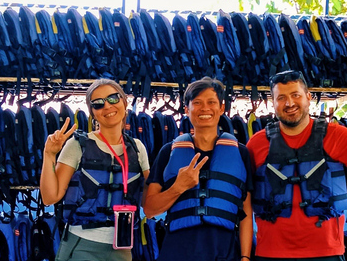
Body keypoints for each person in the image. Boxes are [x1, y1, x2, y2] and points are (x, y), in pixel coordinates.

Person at [246, 70, 347, 261]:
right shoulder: (256, 143)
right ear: (273, 103)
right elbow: (243, 201)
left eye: (296, 95)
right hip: (270, 254)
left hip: (326, 254)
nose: (289, 103)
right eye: (281, 98)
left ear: (309, 97)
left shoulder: (336, 136)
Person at [144, 76, 254, 261]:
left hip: (224, 251)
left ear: (221, 108)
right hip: (177, 252)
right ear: (187, 109)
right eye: (197, 103)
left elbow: (246, 212)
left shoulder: (240, 153)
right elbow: (149, 209)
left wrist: (245, 257)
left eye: (211, 102)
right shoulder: (168, 152)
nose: (205, 108)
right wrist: (178, 187)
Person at [40, 78, 150, 261]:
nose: (107, 106)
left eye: (113, 98)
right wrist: (49, 154)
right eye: (98, 104)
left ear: (124, 102)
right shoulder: (77, 145)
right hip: (82, 244)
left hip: (121, 248)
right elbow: (50, 197)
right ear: (92, 113)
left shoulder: (138, 148)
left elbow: (149, 200)